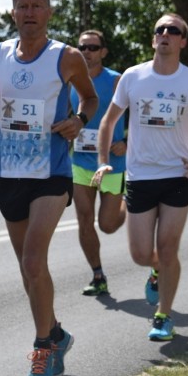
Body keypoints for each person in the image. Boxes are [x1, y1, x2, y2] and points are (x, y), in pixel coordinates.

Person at [0, 0, 98, 376]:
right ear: (13, 12)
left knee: (31, 260)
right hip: (10, 175)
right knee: (31, 273)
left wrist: (78, 120)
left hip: (52, 174)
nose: (29, 13)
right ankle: (57, 332)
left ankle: (43, 348)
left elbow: (90, 101)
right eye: (22, 6)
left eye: (36, 6)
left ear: (49, 12)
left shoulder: (67, 56)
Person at [93, 13, 188, 342]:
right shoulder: (134, 77)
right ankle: (156, 271)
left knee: (167, 248)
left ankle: (163, 316)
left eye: (173, 30)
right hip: (140, 176)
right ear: (153, 40)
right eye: (159, 30)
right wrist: (105, 161)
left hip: (178, 176)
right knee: (140, 253)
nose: (165, 33)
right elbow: (108, 122)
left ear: (182, 41)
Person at [69, 29, 127, 297]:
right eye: (83, 47)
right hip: (80, 162)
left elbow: (139, 116)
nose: (87, 52)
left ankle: (125, 206)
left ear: (103, 51)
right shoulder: (70, 81)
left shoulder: (116, 81)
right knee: (84, 220)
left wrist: (127, 141)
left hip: (113, 162)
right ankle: (98, 275)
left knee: (107, 224)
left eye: (93, 47)